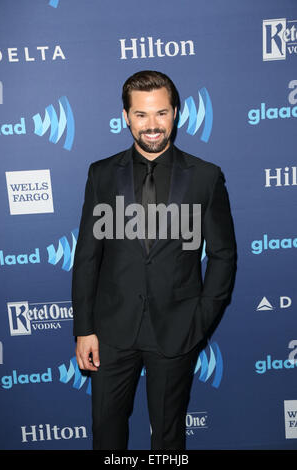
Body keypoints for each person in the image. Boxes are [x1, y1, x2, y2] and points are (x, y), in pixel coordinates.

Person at [72, 70, 236, 450]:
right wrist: (84, 328)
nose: (152, 125)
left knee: (168, 435)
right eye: (142, 115)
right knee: (106, 432)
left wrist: (200, 320)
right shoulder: (101, 174)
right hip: (111, 331)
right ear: (126, 116)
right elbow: (86, 256)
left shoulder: (205, 177)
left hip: (176, 329)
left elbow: (223, 255)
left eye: (161, 113)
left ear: (176, 113)